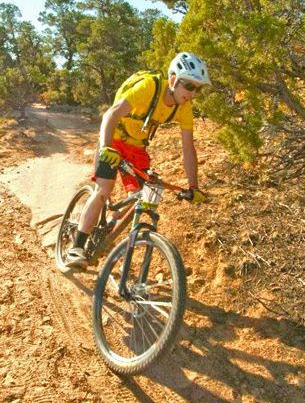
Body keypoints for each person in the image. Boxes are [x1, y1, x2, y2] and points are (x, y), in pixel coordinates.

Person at [65, 52, 211, 268]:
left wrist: (193, 186)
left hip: (136, 148)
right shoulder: (149, 88)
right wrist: (106, 147)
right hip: (113, 139)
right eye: (189, 86)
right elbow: (110, 115)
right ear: (173, 80)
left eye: (198, 88)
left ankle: (109, 227)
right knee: (104, 191)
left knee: (142, 197)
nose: (193, 93)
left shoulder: (185, 108)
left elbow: (188, 148)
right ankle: (76, 247)